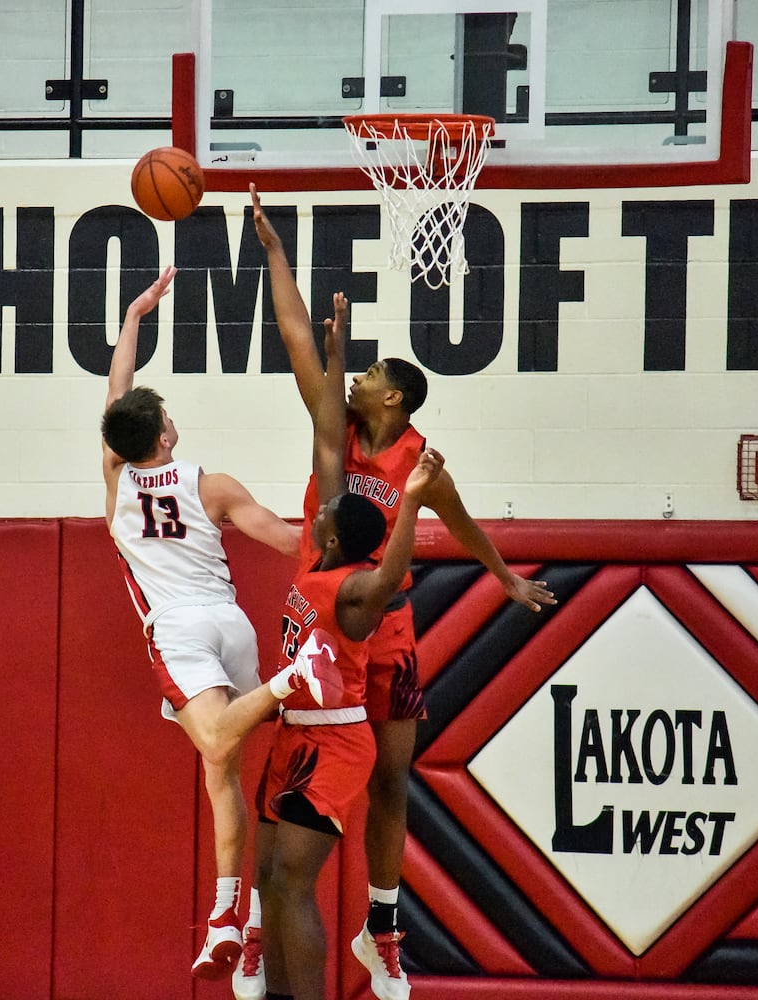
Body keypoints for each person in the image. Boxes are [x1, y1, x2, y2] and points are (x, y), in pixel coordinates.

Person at [249, 183, 557, 1000]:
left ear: (393, 398)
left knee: (391, 779)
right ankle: (259, 922)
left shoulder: (419, 458)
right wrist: (276, 254)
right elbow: (293, 337)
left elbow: (456, 522)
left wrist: (501, 578)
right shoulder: (332, 433)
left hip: (379, 624)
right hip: (324, 623)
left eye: (369, 373)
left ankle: (380, 928)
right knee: (288, 800)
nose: (355, 378)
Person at [102, 265, 339, 988]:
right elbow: (279, 536)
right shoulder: (214, 485)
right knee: (221, 771)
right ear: (167, 431)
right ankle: (229, 915)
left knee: (211, 740)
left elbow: (116, 395)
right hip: (230, 625)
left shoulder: (114, 474)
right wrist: (335, 541)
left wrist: (136, 317)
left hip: (179, 631)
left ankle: (294, 679)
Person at [252, 287, 444, 1000]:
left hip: (337, 724)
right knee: (274, 876)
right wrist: (332, 351)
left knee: (298, 871)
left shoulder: (353, 584)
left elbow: (396, 566)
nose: (315, 502)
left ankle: (381, 927)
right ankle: (254, 944)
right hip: (302, 726)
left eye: (322, 508)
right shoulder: (315, 561)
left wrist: (490, 569)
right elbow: (318, 404)